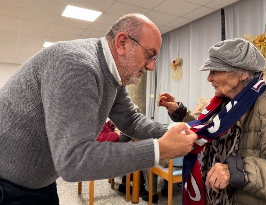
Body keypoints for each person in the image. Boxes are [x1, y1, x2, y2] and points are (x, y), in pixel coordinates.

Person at [0, 13, 198, 204]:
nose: (151, 67)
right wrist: (159, 149)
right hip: (7, 185)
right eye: (149, 55)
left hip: (41, 182)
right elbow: (74, 160)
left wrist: (171, 132)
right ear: (122, 43)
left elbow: (131, 119)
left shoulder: (113, 75)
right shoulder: (77, 65)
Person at [159, 38, 266, 205]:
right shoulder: (228, 103)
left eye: (216, 71)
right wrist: (179, 112)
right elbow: (210, 132)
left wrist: (237, 171)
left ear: (243, 73)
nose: (209, 78)